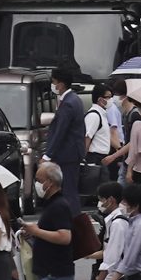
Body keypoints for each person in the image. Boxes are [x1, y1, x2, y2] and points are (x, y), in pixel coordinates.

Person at [43, 68, 85, 215]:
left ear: (60, 84)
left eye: (53, 82)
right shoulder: (74, 99)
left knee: (68, 191)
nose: (53, 86)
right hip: (72, 153)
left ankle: (73, 222)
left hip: (67, 154)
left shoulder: (68, 103)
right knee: (70, 190)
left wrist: (48, 155)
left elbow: (60, 131)